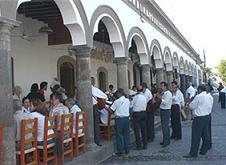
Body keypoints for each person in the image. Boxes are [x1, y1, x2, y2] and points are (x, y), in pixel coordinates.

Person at [183, 85, 213, 158]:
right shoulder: (210, 96)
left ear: (199, 90)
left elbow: (191, 106)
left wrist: (190, 103)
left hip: (199, 118)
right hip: (207, 116)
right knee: (205, 134)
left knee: (196, 136)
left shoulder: (199, 97)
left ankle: (193, 153)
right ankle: (204, 149)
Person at [109, 88, 130, 156]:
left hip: (119, 119)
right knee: (126, 134)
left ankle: (120, 150)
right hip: (126, 118)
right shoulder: (127, 100)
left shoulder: (117, 101)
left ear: (119, 94)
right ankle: (127, 148)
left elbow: (111, 110)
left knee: (119, 135)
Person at [91, 77, 108, 146]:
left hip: (85, 108)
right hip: (94, 107)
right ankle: (97, 141)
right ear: (93, 82)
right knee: (95, 125)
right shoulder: (94, 89)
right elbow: (105, 96)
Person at [130, 86, 147, 150]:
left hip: (137, 114)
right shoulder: (144, 97)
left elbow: (131, 105)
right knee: (144, 129)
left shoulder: (136, 97)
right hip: (143, 113)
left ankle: (138, 145)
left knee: (137, 130)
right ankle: (145, 144)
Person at [157, 82, 172, 147]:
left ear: (165, 87)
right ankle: (166, 139)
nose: (161, 87)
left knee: (165, 126)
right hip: (162, 110)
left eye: (162, 86)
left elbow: (165, 102)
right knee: (164, 126)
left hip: (166, 110)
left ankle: (166, 141)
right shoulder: (163, 93)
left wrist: (160, 98)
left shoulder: (168, 94)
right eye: (160, 86)